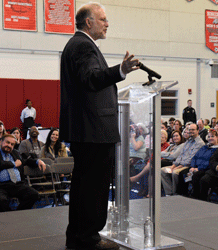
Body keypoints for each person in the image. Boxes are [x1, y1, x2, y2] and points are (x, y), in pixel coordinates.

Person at [59, 3, 139, 250]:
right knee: (93, 186)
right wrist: (121, 70)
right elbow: (92, 79)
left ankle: (80, 236)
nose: (107, 24)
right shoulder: (83, 45)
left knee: (85, 185)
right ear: (88, 22)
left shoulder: (77, 44)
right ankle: (88, 238)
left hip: (87, 128)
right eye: (103, 19)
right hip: (93, 129)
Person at [0, 134, 46, 212]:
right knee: (1, 201)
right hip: (1, 186)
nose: (9, 146)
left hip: (17, 184)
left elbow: (25, 160)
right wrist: (13, 164)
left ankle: (17, 214)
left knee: (33, 194)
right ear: (1, 141)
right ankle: (8, 215)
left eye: (12, 144)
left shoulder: (15, 153)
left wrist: (38, 161)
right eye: (7, 142)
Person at [161, 123, 204, 196]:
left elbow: (191, 158)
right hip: (180, 164)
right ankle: (169, 192)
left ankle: (175, 194)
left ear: (197, 130)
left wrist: (179, 166)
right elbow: (181, 155)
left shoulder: (200, 143)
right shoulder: (188, 141)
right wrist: (174, 165)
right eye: (189, 130)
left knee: (175, 173)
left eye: (193, 130)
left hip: (188, 165)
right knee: (162, 171)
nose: (191, 131)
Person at [177, 129, 218, 197]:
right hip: (196, 167)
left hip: (206, 169)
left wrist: (198, 168)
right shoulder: (204, 147)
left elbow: (211, 162)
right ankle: (182, 195)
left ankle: (197, 196)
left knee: (196, 176)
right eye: (209, 137)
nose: (210, 138)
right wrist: (192, 167)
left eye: (212, 136)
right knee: (182, 173)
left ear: (217, 137)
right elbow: (195, 157)